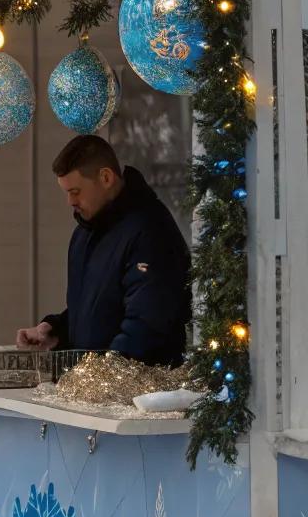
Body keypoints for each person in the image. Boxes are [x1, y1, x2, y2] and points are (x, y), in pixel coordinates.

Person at [17, 135, 191, 364]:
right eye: (66, 192)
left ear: (106, 178)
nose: (70, 201)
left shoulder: (149, 231)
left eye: (75, 191)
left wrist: (98, 376)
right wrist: (54, 330)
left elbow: (147, 324)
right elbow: (97, 312)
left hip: (138, 392)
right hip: (96, 387)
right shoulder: (85, 235)